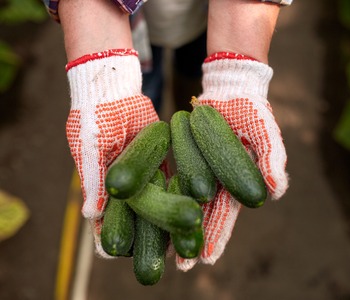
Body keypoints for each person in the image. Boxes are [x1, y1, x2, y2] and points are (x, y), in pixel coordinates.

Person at [42, 0, 291, 271]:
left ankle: (187, 114)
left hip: (210, 17)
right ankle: (165, 117)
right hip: (129, 26)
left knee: (192, 74)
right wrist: (100, 64)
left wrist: (237, 55)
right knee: (147, 87)